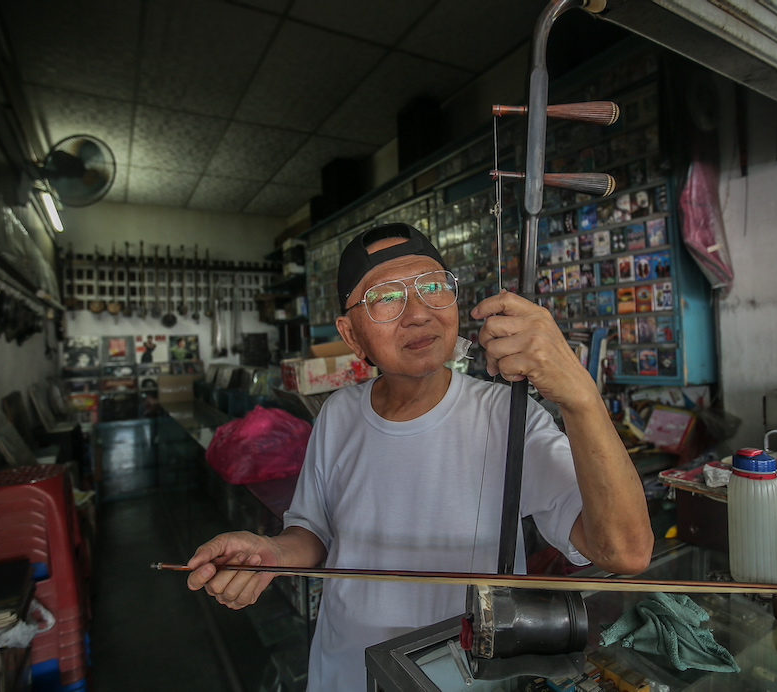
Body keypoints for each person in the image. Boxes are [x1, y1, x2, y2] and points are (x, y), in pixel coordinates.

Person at [186, 223, 653, 690]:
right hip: (345, 667)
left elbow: (624, 551)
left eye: (432, 287)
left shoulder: (508, 417)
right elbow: (314, 532)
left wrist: (581, 398)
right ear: (352, 336)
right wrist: (271, 553)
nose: (417, 313)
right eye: (386, 297)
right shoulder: (339, 413)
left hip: (462, 678)